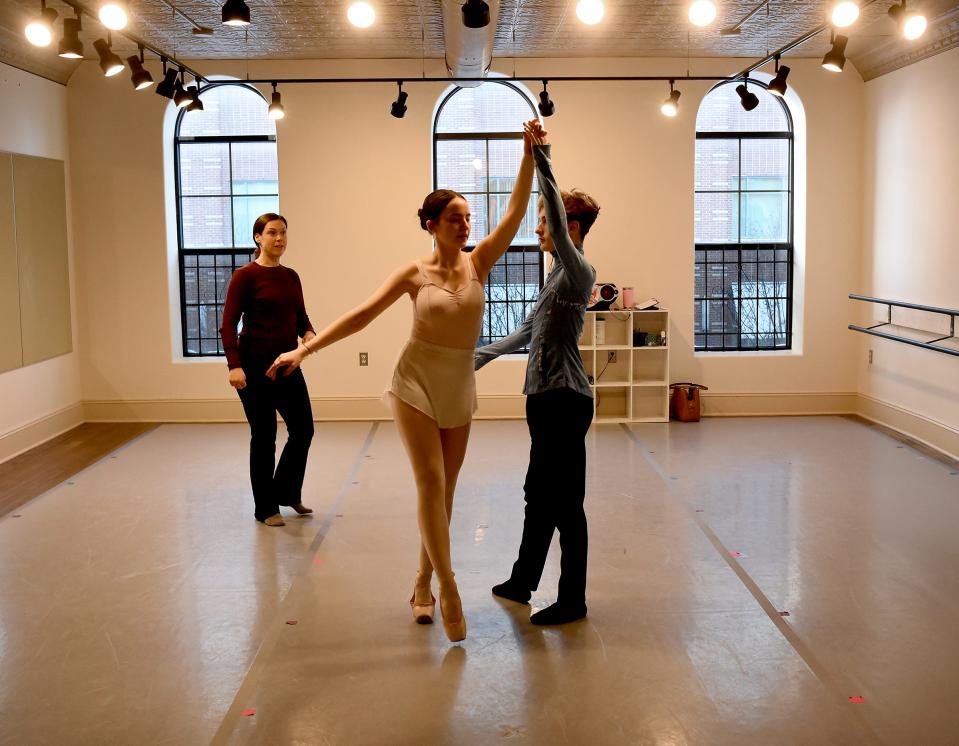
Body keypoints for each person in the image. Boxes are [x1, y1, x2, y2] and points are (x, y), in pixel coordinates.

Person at [266, 120, 538, 642]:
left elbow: (516, 211)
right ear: (432, 225)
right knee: (430, 483)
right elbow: (361, 315)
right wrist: (303, 349)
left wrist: (527, 155)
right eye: (454, 219)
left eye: (466, 218)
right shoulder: (414, 274)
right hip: (414, 382)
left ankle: (421, 581)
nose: (464, 225)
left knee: (447, 492)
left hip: (459, 382)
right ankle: (450, 586)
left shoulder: (480, 262)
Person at [474, 126, 599, 625]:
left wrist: (541, 155)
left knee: (566, 502)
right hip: (542, 400)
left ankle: (573, 600)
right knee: (537, 494)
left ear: (568, 226)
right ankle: (523, 581)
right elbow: (527, 330)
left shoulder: (579, 271)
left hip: (567, 401)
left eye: (544, 222)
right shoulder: (553, 278)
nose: (537, 230)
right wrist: (476, 356)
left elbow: (551, 205)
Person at [220, 213, 316, 528]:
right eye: (272, 232)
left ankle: (287, 492)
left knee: (304, 430)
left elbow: (300, 315)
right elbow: (228, 324)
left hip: (287, 364)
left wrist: (308, 334)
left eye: (284, 232)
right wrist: (234, 365)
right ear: (258, 237)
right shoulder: (245, 276)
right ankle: (266, 507)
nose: (279, 238)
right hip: (254, 367)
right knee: (264, 436)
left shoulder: (291, 276)